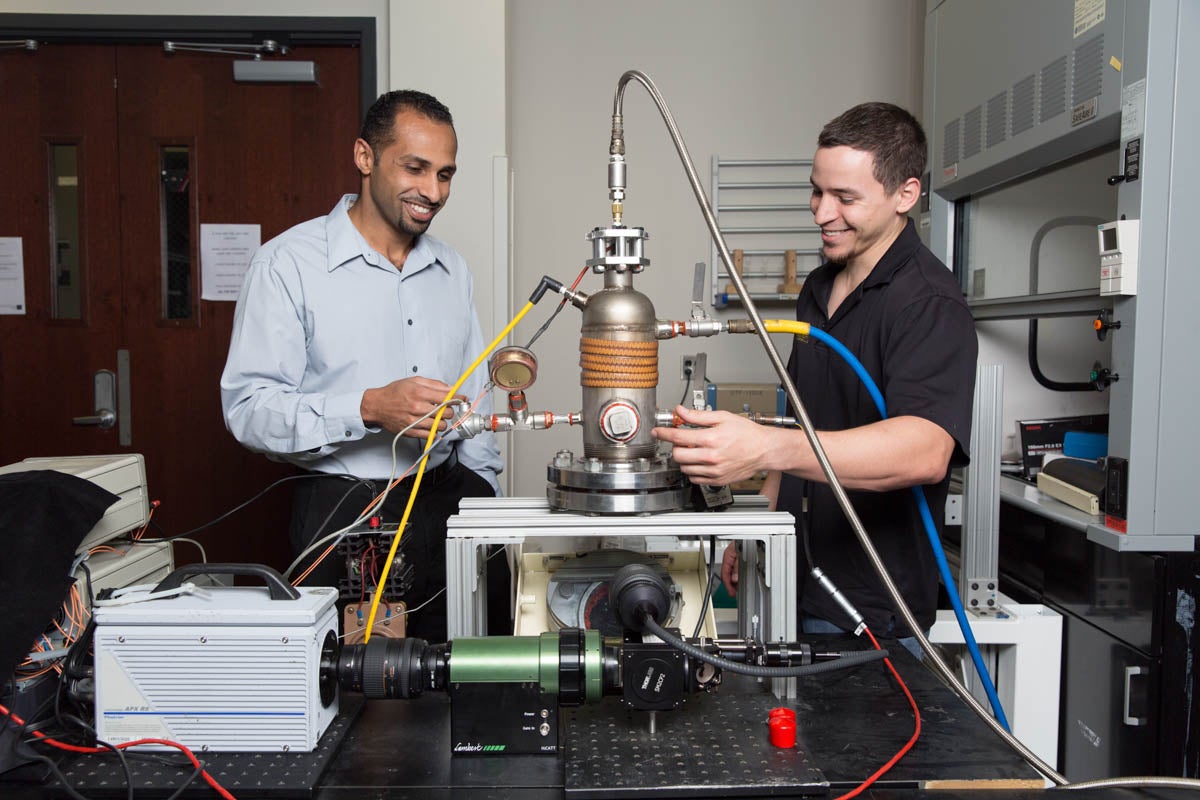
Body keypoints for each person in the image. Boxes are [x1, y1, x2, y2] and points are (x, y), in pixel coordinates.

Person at [653, 102, 977, 657]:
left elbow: (924, 451)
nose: (822, 212)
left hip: (872, 607)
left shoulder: (928, 302)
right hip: (796, 580)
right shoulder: (820, 288)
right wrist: (759, 532)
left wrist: (763, 448)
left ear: (905, 194)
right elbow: (804, 417)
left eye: (846, 198)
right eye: (816, 191)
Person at [220, 90, 505, 642]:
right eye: (415, 168)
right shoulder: (286, 265)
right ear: (364, 157)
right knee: (356, 700)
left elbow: (477, 399)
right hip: (342, 512)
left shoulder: (452, 269)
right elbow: (249, 410)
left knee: (473, 681)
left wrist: (481, 500)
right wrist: (369, 407)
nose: (433, 192)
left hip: (449, 506)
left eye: (445, 174)